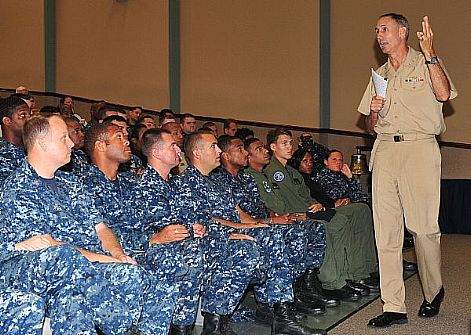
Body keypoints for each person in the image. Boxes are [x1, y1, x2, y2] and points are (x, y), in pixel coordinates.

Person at [0, 114, 162, 334]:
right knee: (63, 256)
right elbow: (49, 247)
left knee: (138, 277)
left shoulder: (71, 182)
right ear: (42, 143)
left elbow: (101, 228)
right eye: (63, 138)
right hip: (33, 266)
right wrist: (106, 260)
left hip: (83, 265)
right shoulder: (18, 187)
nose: (71, 143)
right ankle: (124, 327)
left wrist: (117, 255)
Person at [358, 14, 457, 328]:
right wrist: (373, 112)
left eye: (384, 29)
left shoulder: (425, 63)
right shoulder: (380, 74)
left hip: (419, 148)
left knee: (423, 229)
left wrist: (431, 55)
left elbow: (443, 95)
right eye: (376, 31)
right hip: (385, 150)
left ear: (403, 32)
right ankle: (394, 305)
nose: (379, 35)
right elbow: (370, 127)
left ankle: (432, 291)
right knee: (386, 233)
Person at [83, 123, 186, 334]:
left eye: (125, 136)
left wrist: (155, 238)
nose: (127, 140)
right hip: (107, 256)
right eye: (119, 137)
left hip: (137, 249)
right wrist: (151, 240)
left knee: (174, 261)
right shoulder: (84, 185)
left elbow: (143, 224)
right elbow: (96, 235)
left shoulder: (130, 184)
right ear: (100, 146)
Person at [264, 128, 378, 301]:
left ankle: (353, 271)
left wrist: (315, 204)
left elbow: (305, 195)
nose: (289, 147)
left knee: (359, 210)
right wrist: (304, 212)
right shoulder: (272, 171)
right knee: (331, 224)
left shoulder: (292, 172)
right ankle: (332, 280)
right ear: (273, 147)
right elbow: (279, 203)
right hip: (295, 216)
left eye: (290, 143)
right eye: (284, 143)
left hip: (309, 210)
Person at [0, 96, 31, 185]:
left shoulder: (32, 147)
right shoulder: (2, 153)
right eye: (23, 115)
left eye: (30, 114)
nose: (29, 120)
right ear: (7, 121)